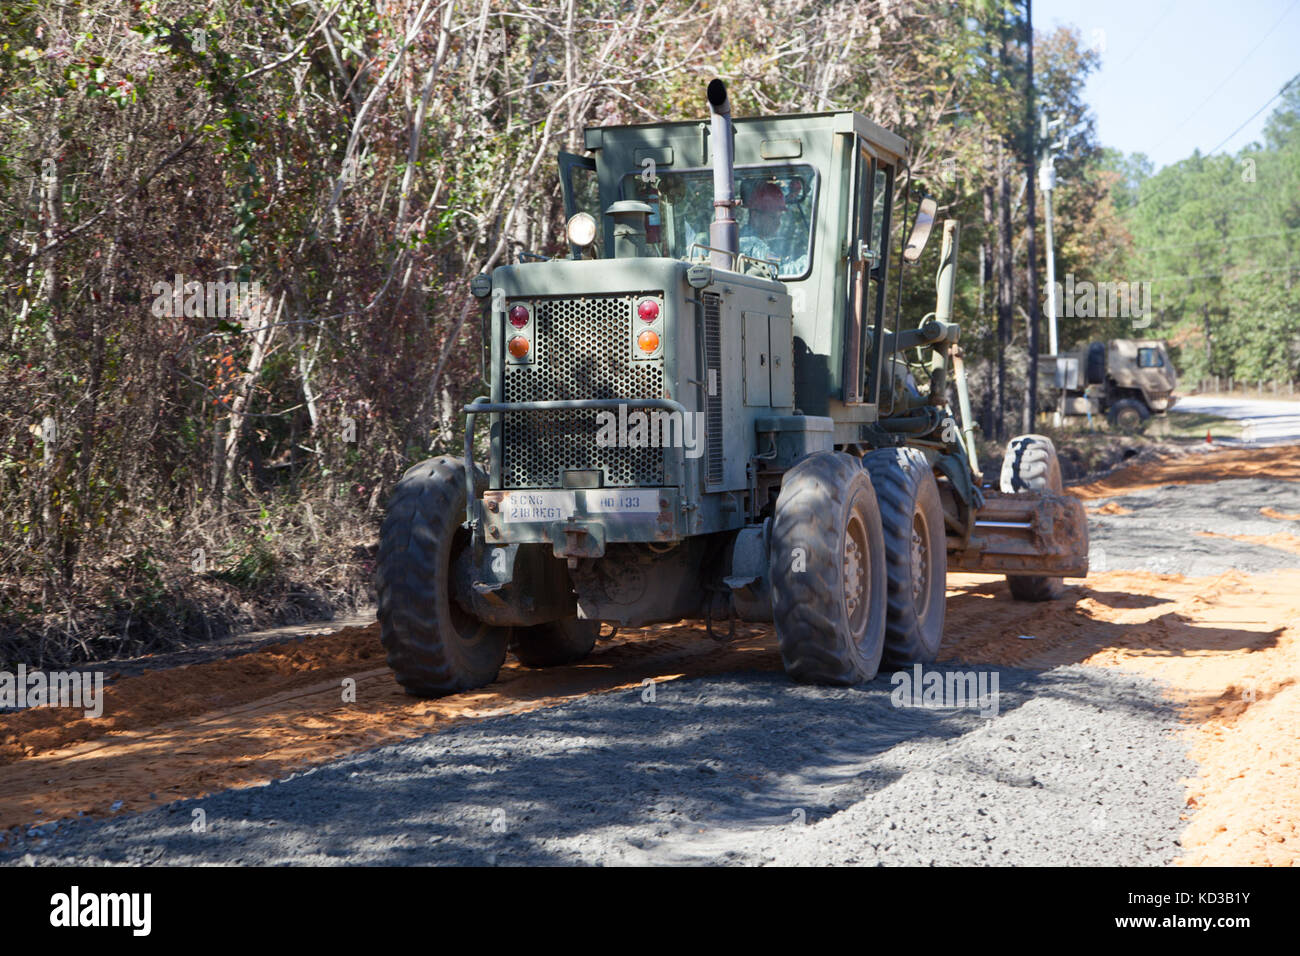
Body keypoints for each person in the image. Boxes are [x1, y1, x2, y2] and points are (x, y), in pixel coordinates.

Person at [739, 181, 807, 276]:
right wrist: (809, 261)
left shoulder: (755, 240)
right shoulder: (751, 244)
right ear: (755, 215)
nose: (778, 223)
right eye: (773, 217)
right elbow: (780, 271)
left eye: (780, 217)